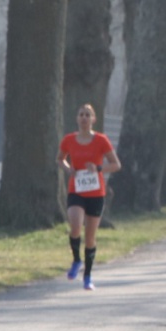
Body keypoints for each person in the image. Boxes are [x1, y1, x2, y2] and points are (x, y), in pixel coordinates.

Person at [56, 103, 122, 291]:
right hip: (76, 190)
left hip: (96, 192)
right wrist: (69, 169)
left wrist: (98, 168)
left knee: (90, 237)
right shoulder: (69, 140)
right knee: (75, 225)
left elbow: (116, 165)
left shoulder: (101, 140)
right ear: (77, 118)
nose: (84, 118)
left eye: (87, 115)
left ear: (93, 119)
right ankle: (76, 260)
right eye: (81, 114)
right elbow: (60, 159)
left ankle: (87, 276)